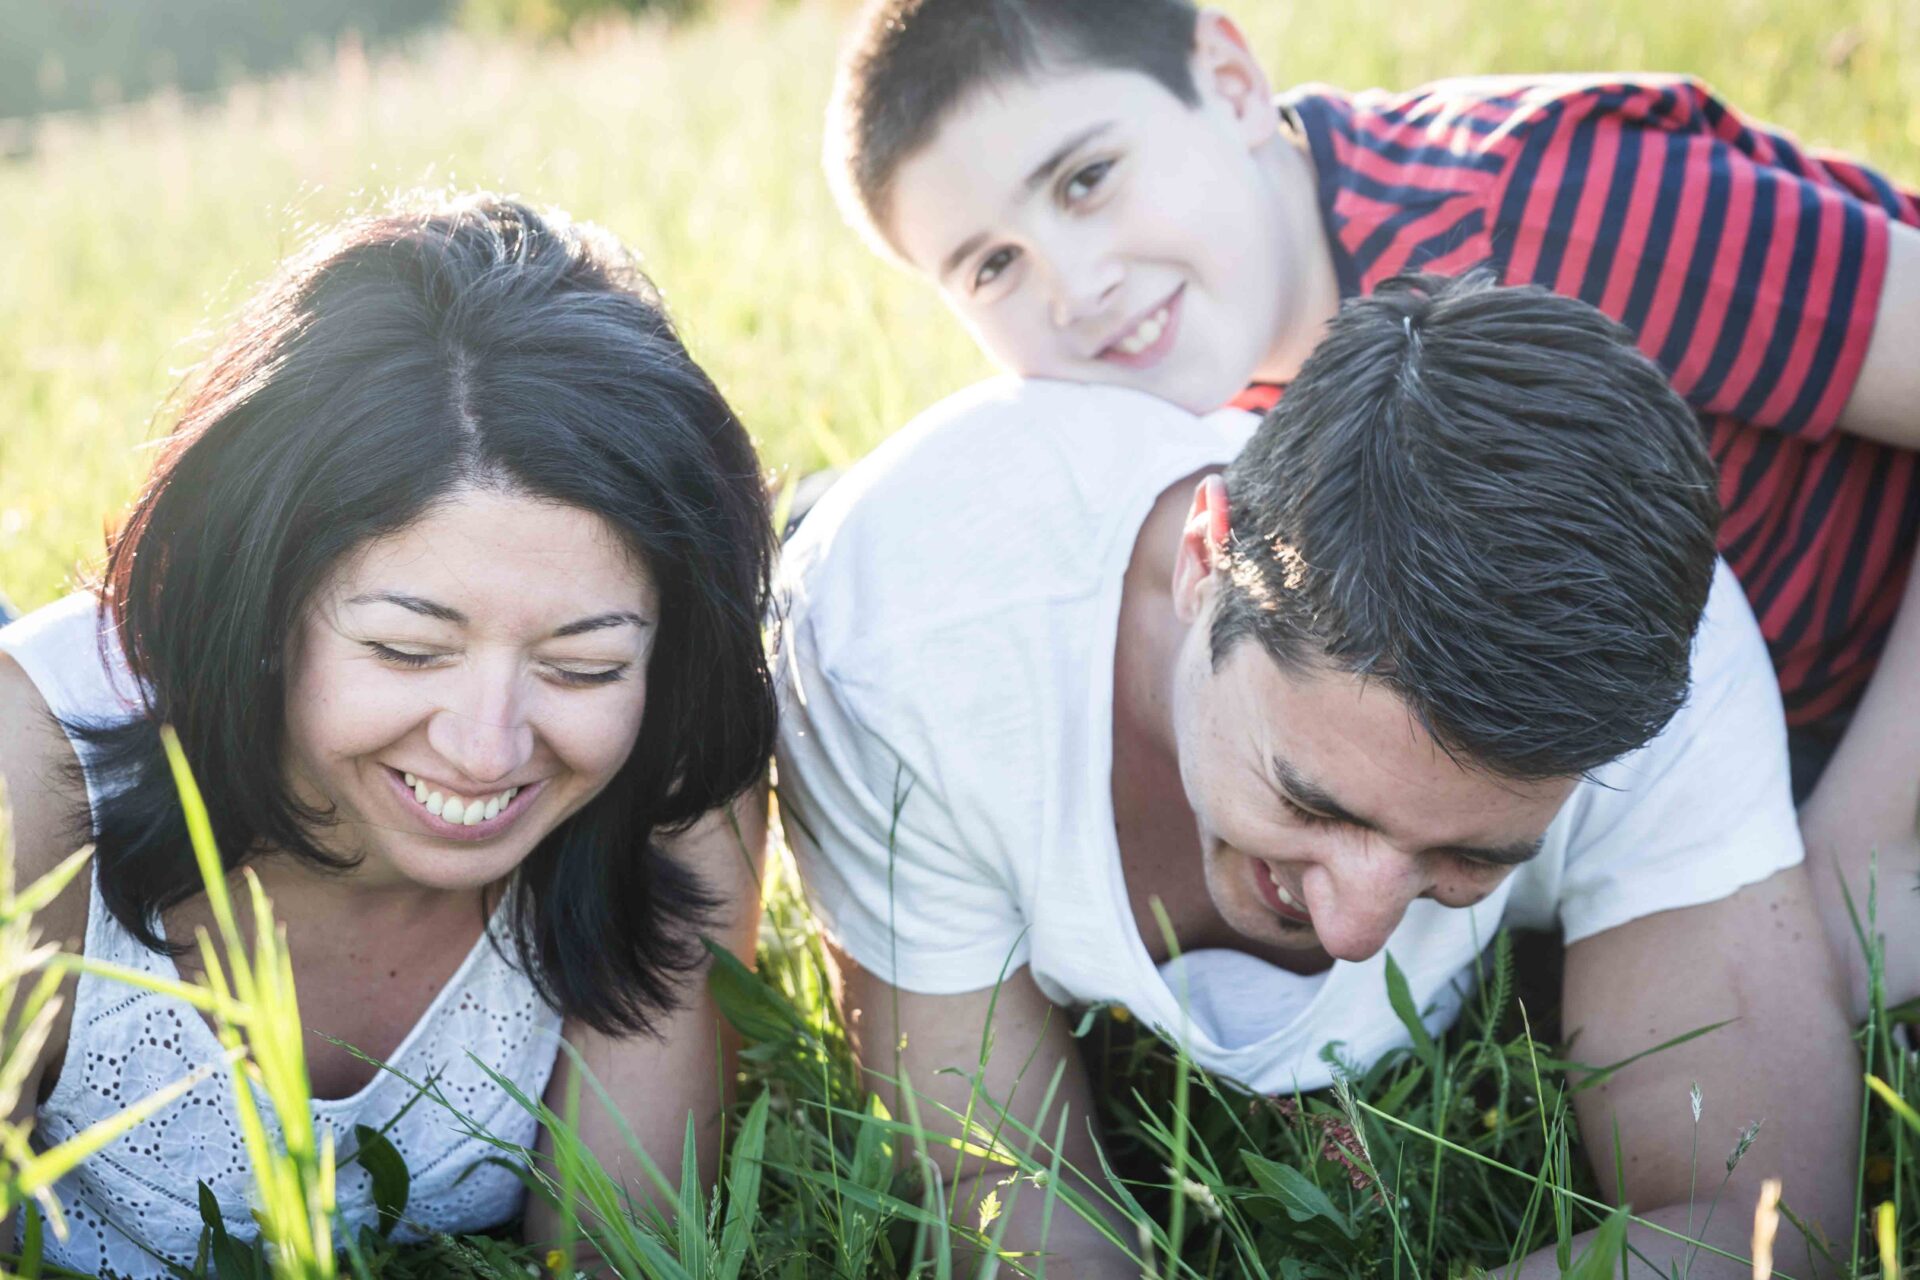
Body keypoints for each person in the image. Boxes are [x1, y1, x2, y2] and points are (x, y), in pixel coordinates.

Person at [822, 0, 1920, 1020]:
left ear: (1232, 80)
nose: (1073, 287)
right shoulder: (1205, 410)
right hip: (1637, 748)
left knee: (1807, 977)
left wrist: (1851, 854)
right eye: (992, 266)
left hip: (1868, 693)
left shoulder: (1537, 206)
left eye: (1087, 179)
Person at [774, 274, 1856, 1277]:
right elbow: (991, 1172)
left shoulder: (1655, 669)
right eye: (1309, 799)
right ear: (1207, 560)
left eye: (1469, 854)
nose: (1354, 926)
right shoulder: (895, 648)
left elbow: (1758, 1220)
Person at [0, 194, 778, 1274]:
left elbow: (617, 1246)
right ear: (257, 605)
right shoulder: (28, 779)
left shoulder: (670, 765)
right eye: (411, 650)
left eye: (582, 665)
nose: (488, 746)